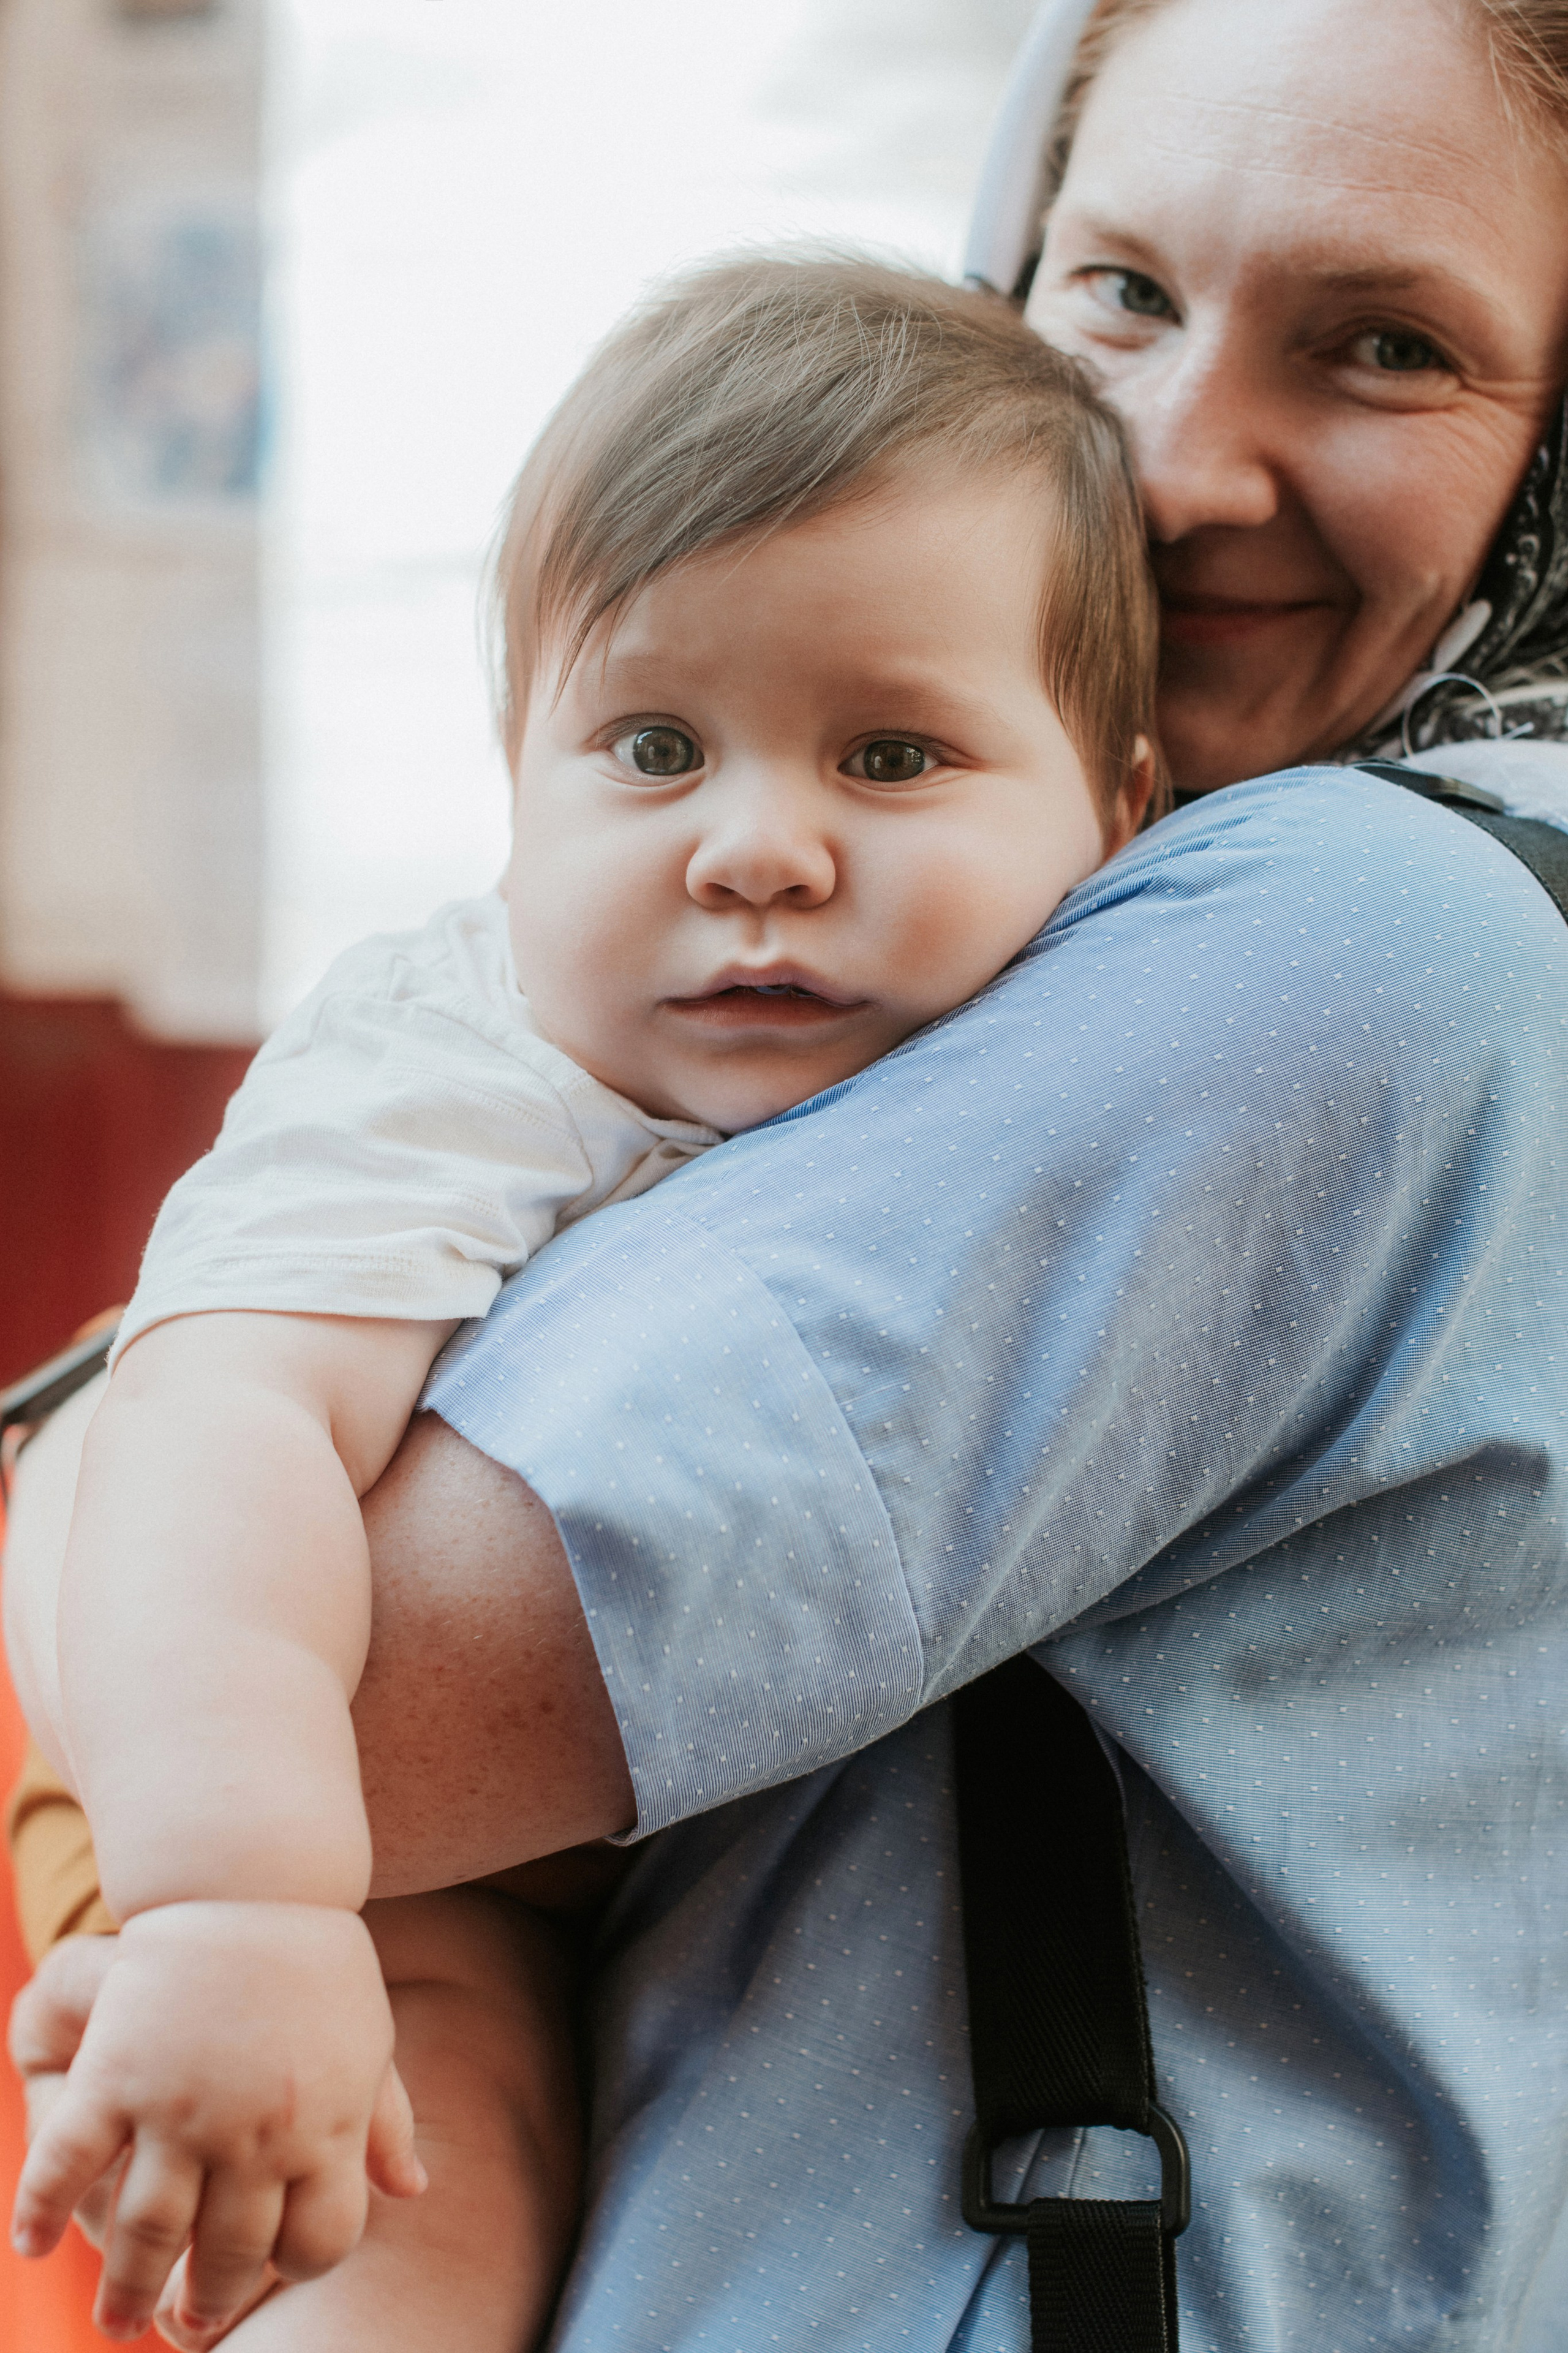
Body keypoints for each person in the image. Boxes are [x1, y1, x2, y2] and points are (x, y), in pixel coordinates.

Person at [6, 0, 1568, 2346]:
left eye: (1382, 346)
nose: (1168, 464)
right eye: (1115, 289)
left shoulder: (1353, 936)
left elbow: (371, 1709)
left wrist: (87, 1496)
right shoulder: (764, 957)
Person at [4, 255, 1158, 2349]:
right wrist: (242, 1900)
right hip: (267, 1767)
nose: (756, 849)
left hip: (661, 1847)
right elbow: (220, 1425)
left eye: (892, 754)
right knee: (408, 2204)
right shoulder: (467, 1059)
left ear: (1126, 823)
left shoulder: (1088, 1053)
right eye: (651, 743)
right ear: (513, 776)